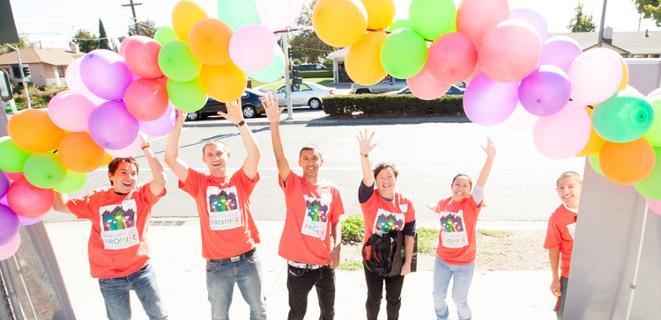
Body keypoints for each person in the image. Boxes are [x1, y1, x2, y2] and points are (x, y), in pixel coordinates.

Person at [164, 99, 266, 320]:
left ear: (228, 156)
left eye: (219, 153)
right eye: (210, 155)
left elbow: (255, 155)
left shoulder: (241, 180)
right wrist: (178, 125)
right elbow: (170, 159)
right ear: (203, 159)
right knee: (219, 315)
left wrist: (240, 122)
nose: (215, 158)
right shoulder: (199, 183)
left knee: (258, 309)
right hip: (217, 266)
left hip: (248, 259)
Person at [53, 137, 168, 320]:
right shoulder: (97, 199)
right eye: (123, 172)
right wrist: (55, 174)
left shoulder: (142, 196)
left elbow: (160, 180)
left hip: (141, 271)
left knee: (160, 316)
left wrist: (146, 149)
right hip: (111, 278)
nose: (129, 177)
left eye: (133, 173)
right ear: (111, 176)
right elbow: (60, 205)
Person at [263, 93, 345, 320]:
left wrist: (337, 246)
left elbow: (336, 220)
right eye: (305, 158)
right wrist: (274, 125)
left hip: (325, 264)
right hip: (298, 267)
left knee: (328, 312)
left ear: (322, 161)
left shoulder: (331, 189)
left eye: (314, 158)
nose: (310, 162)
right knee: (297, 313)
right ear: (299, 162)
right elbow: (280, 158)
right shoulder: (293, 184)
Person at [432, 137, 496, 320]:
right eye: (457, 184)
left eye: (465, 185)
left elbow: (482, 182)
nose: (460, 188)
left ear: (469, 190)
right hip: (442, 260)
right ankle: (441, 317)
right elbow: (438, 210)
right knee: (438, 297)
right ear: (451, 186)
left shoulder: (472, 203)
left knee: (459, 299)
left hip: (464, 263)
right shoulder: (443, 202)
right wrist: (431, 207)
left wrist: (490, 158)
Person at [356, 129, 416, 320]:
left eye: (389, 176)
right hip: (373, 256)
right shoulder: (369, 199)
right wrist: (365, 156)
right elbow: (366, 179)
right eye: (381, 177)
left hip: (397, 258)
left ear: (395, 178)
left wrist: (408, 263)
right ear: (376, 181)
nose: (386, 180)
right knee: (374, 298)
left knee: (394, 299)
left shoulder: (406, 203)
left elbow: (409, 234)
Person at [544, 171, 582, 320]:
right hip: (569, 274)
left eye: (571, 186)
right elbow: (554, 248)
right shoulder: (556, 217)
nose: (565, 191)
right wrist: (555, 278)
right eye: (561, 188)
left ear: (581, 187)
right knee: (565, 314)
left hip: (595, 273)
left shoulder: (594, 208)